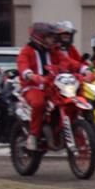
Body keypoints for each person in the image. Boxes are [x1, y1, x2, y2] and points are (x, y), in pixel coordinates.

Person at [15, 21, 59, 151]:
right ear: (40, 37)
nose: (53, 40)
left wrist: (84, 70)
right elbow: (22, 65)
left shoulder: (53, 52)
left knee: (67, 100)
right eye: (49, 37)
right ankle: (33, 135)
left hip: (51, 86)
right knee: (38, 103)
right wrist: (30, 75)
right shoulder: (26, 51)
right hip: (33, 87)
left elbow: (67, 62)